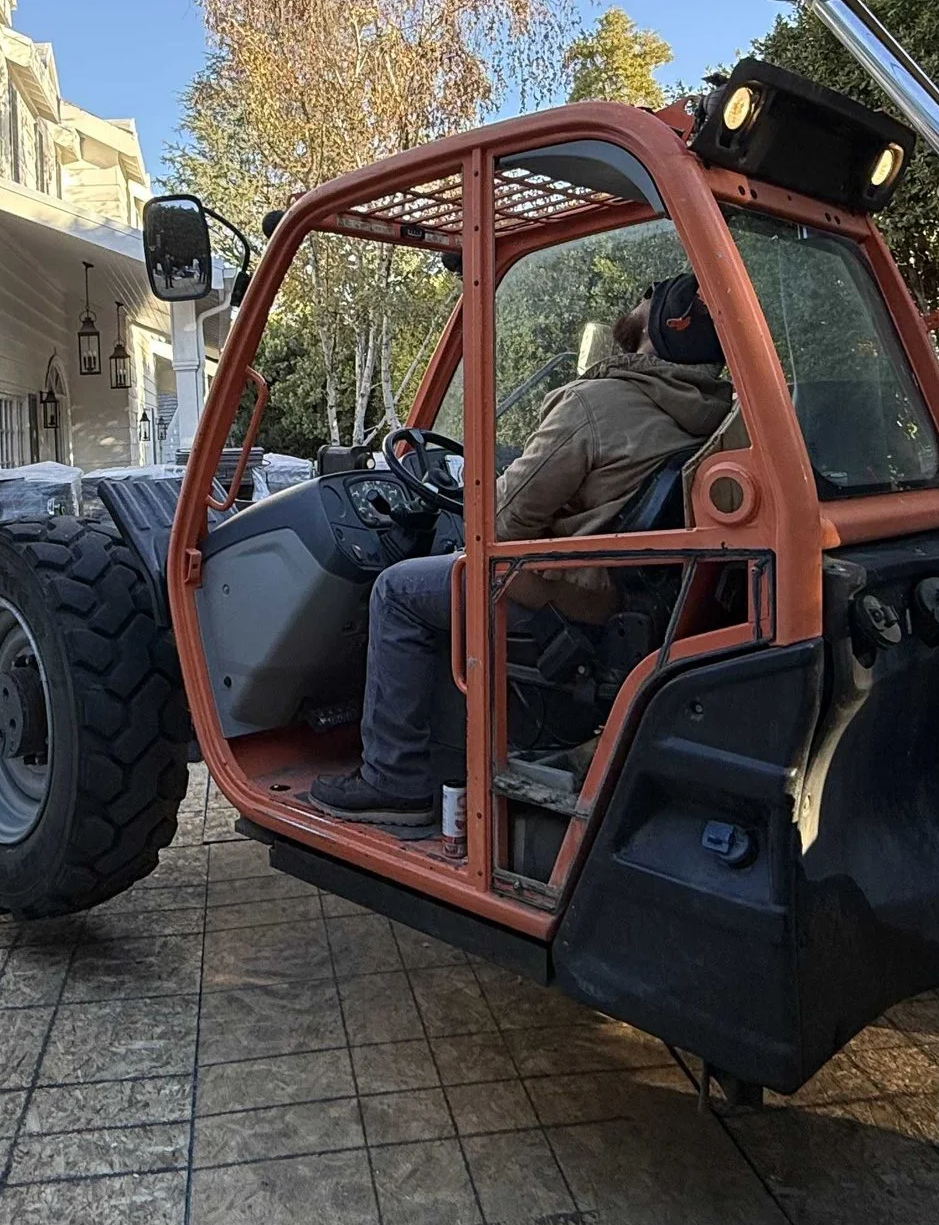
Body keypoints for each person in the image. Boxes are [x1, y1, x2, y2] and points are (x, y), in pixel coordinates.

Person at [308, 273, 733, 825]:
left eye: (643, 298)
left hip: (569, 587)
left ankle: (394, 780)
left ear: (659, 327)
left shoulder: (597, 402)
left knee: (397, 589)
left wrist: (486, 487)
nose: (634, 301)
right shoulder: (712, 414)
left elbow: (504, 520)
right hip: (634, 592)